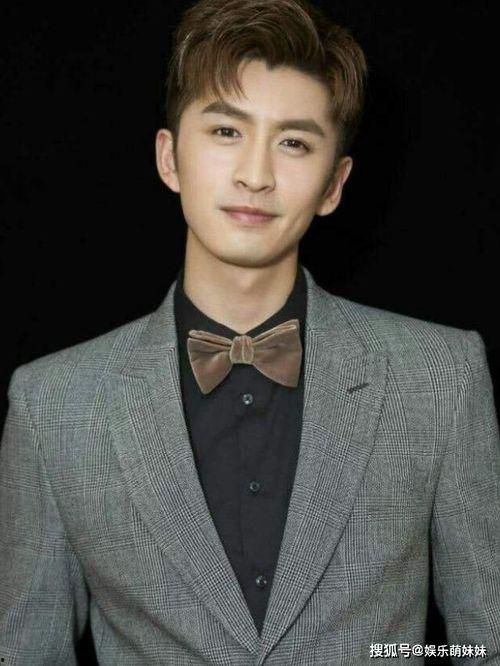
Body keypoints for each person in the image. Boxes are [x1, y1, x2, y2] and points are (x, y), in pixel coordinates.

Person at [1, 0, 499, 663]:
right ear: (169, 158)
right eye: (226, 131)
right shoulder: (52, 405)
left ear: (334, 183)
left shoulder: (442, 377)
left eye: (294, 143)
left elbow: (483, 645)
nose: (255, 175)